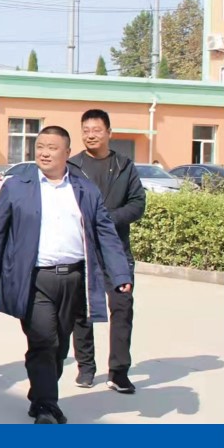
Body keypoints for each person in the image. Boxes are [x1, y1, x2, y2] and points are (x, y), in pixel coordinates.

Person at [0, 126, 133, 425]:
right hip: (34, 279)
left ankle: (40, 396)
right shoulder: (17, 186)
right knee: (43, 341)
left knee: (60, 346)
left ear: (67, 153)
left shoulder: (85, 190)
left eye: (52, 147)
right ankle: (47, 406)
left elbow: (105, 233)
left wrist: (120, 274)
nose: (44, 153)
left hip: (73, 280)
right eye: (40, 147)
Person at [67, 109, 146, 393]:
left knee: (122, 308)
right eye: (86, 130)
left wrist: (107, 219)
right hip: (82, 250)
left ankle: (119, 372)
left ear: (109, 133)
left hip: (117, 250)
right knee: (81, 311)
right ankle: (86, 368)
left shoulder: (124, 166)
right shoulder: (72, 166)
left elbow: (138, 204)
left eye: (96, 130)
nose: (90, 135)